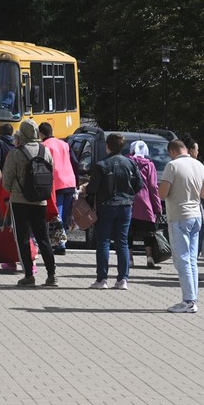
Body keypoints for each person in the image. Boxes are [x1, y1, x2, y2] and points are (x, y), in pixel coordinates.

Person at [1, 119, 58, 287]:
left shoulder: (16, 153)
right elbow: (51, 172)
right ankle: (51, 274)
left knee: (23, 239)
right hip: (40, 200)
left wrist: (14, 189)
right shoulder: (45, 150)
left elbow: (6, 180)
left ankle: (28, 275)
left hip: (20, 201)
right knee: (43, 238)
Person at [160, 139, 204, 313]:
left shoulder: (172, 166)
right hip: (196, 216)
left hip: (179, 216)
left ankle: (188, 301)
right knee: (191, 260)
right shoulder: (199, 165)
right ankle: (193, 298)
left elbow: (163, 193)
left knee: (182, 259)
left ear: (172, 151)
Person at [86, 132, 142, 290]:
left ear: (108, 146)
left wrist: (87, 189)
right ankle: (123, 279)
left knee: (103, 242)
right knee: (122, 242)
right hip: (125, 206)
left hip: (105, 205)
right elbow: (139, 185)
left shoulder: (101, 165)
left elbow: (92, 188)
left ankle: (102, 279)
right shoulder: (130, 163)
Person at [39, 122, 78, 256]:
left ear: (41, 134)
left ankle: (60, 244)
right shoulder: (65, 144)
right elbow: (75, 162)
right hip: (70, 181)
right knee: (65, 213)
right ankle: (62, 240)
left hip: (57, 183)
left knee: (58, 213)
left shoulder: (44, 146)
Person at [127, 140, 163, 270]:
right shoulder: (149, 165)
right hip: (145, 202)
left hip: (129, 201)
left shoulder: (126, 161)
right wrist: (157, 207)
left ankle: (130, 259)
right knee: (149, 232)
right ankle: (149, 258)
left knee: (128, 232)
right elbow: (153, 187)